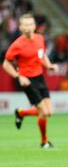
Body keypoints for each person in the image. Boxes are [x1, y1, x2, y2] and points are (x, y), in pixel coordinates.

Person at [2, 13, 58, 148]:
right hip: (28, 80)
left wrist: (49, 65)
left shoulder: (40, 38)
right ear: (20, 27)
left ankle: (21, 112)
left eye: (30, 24)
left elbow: (42, 56)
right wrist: (18, 76)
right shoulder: (17, 45)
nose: (28, 27)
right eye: (25, 25)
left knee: (49, 112)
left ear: (34, 26)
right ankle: (44, 142)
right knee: (43, 112)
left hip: (40, 77)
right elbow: (6, 64)